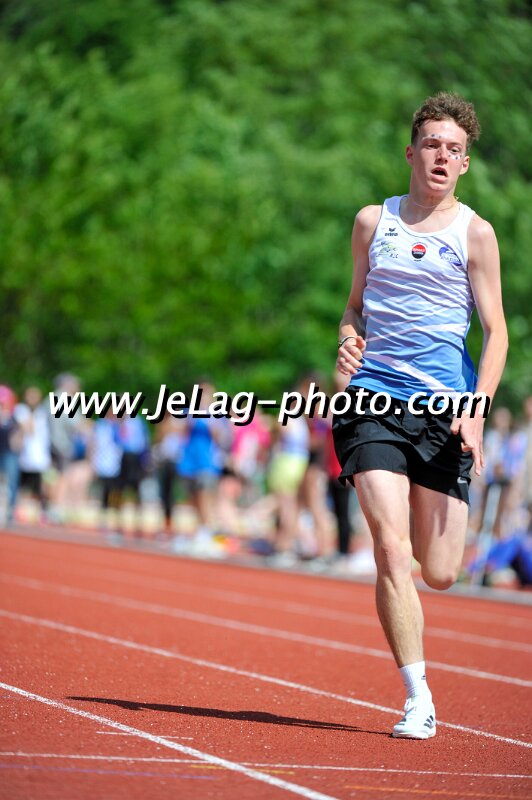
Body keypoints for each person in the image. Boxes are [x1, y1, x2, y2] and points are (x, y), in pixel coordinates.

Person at [333, 93, 507, 739]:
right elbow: (353, 306)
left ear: (464, 164)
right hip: (372, 401)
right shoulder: (371, 222)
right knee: (389, 547)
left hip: (445, 410)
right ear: (411, 152)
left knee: (440, 571)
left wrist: (477, 410)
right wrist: (347, 338)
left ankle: (425, 552)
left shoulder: (476, 234)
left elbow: (496, 333)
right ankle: (418, 696)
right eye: (432, 144)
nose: (441, 156)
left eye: (453, 149)